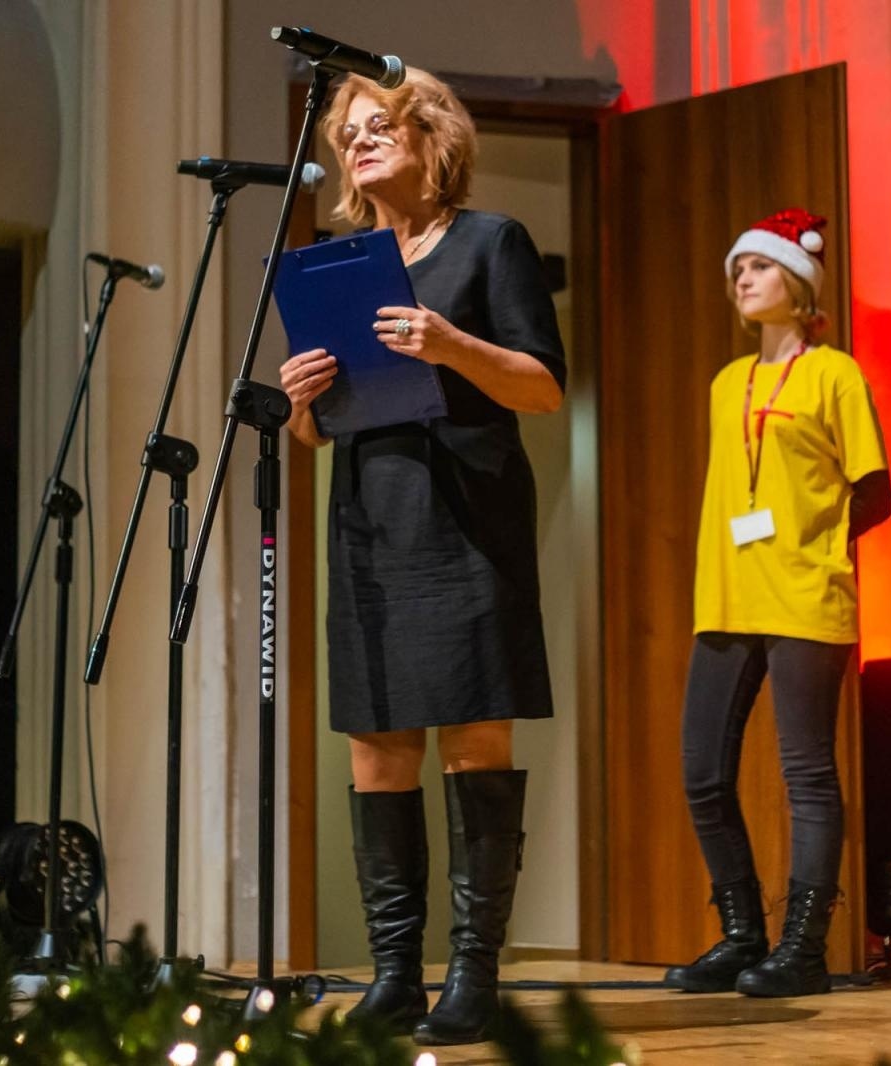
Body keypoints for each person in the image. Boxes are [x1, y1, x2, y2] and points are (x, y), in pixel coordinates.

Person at [278, 69, 564, 1046]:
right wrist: (304, 401)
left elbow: (542, 388)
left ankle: (473, 974)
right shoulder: (344, 264)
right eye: (346, 134)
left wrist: (451, 344)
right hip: (371, 524)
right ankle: (395, 974)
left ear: (429, 134)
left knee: (473, 745)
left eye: (376, 127)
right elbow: (321, 437)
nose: (356, 143)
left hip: (468, 521)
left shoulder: (491, 244)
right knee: (377, 749)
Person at [663, 209, 891, 998]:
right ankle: (740, 934)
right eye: (737, 273)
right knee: (702, 772)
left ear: (797, 284)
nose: (743, 281)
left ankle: (802, 948)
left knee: (806, 776)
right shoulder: (730, 383)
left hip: (803, 597)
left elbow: (877, 491)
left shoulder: (835, 374)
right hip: (726, 598)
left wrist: (816, 539)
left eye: (757, 269)